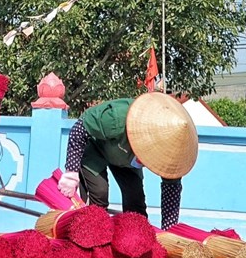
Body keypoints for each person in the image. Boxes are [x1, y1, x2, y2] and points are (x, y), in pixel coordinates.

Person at [58, 92, 198, 229]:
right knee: (99, 198)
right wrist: (71, 172)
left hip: (127, 160)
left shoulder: (173, 153)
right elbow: (79, 129)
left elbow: (171, 193)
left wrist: (169, 232)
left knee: (136, 205)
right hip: (95, 148)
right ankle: (90, 239)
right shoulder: (117, 118)